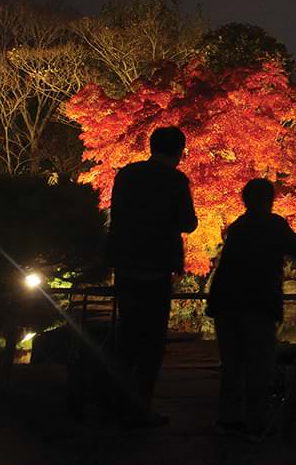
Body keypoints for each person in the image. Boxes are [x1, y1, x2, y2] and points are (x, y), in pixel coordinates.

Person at [206, 178, 296, 439]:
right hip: (256, 302)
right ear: (269, 200)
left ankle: (228, 419)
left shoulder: (237, 227)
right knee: (258, 365)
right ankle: (256, 424)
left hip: (226, 301)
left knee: (231, 365)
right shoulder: (272, 225)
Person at [106, 125, 197, 428]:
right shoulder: (175, 180)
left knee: (126, 336)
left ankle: (117, 403)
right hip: (157, 267)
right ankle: (140, 408)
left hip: (125, 264)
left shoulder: (127, 175)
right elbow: (188, 222)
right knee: (151, 342)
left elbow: (116, 214)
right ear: (179, 152)